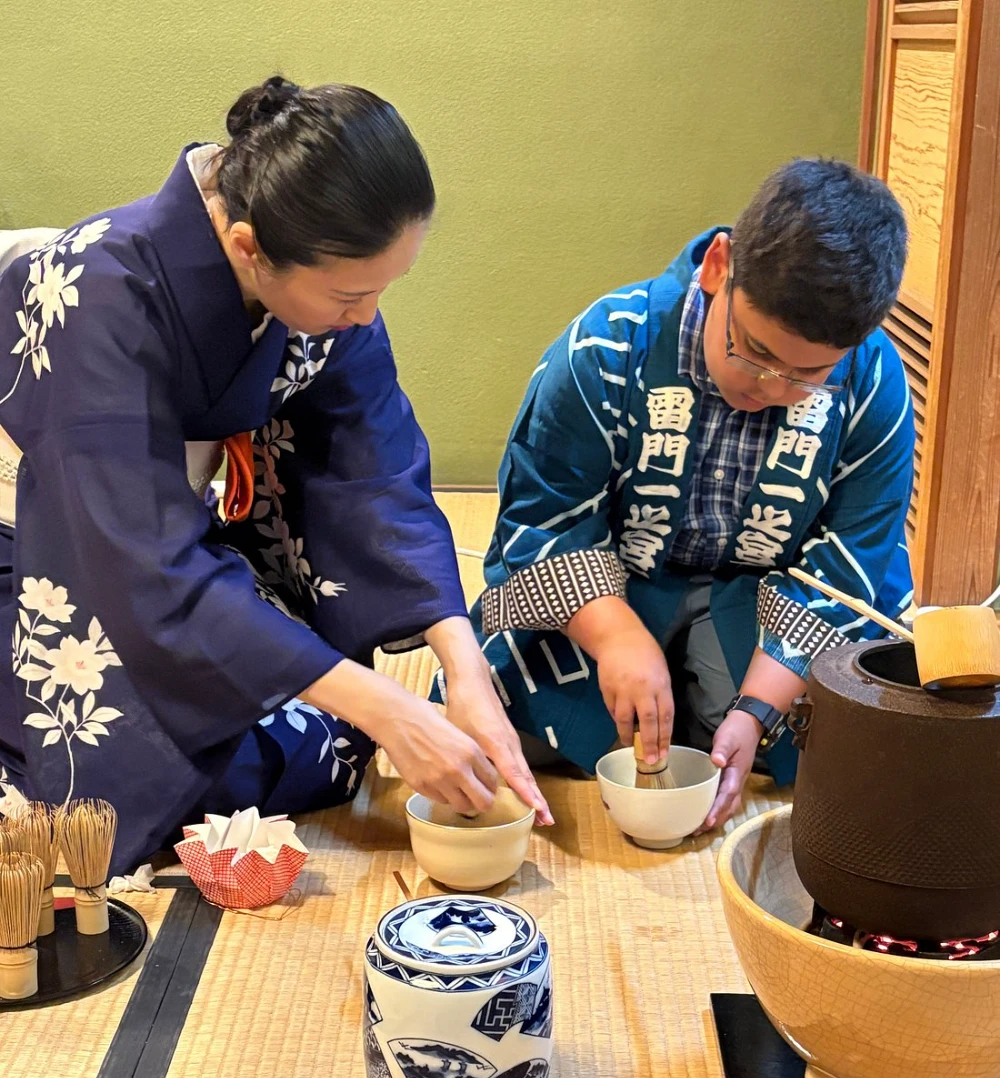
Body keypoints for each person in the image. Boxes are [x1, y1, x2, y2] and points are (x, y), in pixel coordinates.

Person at [0, 75, 550, 874]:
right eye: (352, 294)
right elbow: (138, 564)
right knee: (137, 786)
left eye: (383, 289)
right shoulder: (97, 298)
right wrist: (389, 706)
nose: (367, 315)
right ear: (248, 245)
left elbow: (376, 469)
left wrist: (458, 667)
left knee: (338, 736)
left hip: (153, 541)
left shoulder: (314, 272)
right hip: (51, 551)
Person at [465, 159, 913, 829]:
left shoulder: (872, 380)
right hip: (609, 579)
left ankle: (725, 702)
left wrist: (758, 709)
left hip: (762, 593)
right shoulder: (603, 347)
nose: (771, 387)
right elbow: (542, 522)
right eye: (754, 351)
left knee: (813, 744)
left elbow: (854, 555)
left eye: (807, 376)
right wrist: (617, 636)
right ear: (718, 267)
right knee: (503, 721)